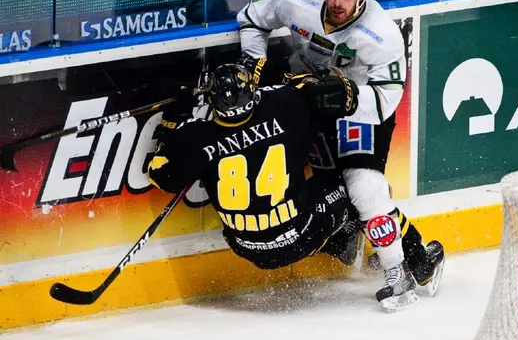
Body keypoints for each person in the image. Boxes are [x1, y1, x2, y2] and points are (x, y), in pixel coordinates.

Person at [236, 0, 445, 310]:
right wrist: (252, 62)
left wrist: (348, 99)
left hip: (359, 110)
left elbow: (386, 100)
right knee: (318, 182)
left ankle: (401, 274)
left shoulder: (382, 35)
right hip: (306, 100)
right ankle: (367, 242)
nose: (336, 1)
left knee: (363, 186)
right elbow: (252, 17)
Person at [148, 62, 363, 274]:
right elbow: (343, 96)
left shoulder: (194, 138)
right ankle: (349, 236)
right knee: (361, 185)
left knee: (271, 232)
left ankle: (334, 247)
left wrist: (173, 122)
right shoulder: (286, 105)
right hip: (302, 235)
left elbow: (160, 176)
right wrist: (296, 79)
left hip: (248, 250)